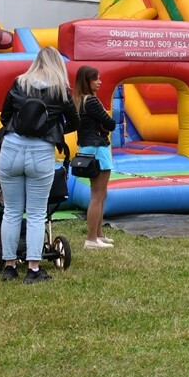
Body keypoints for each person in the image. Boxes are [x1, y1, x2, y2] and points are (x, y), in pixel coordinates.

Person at [0, 46, 79, 284]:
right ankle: (33, 269)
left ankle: (10, 266)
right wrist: (52, 130)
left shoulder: (18, 83)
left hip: (11, 149)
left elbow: (4, 117)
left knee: (11, 210)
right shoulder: (60, 90)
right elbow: (74, 121)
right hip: (41, 152)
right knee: (36, 213)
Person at [73, 65, 117, 249]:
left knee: (100, 193)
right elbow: (111, 123)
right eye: (96, 79)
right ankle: (91, 239)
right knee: (98, 195)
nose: (99, 82)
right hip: (98, 149)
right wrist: (105, 125)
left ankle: (98, 234)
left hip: (87, 148)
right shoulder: (91, 101)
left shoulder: (78, 101)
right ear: (87, 81)